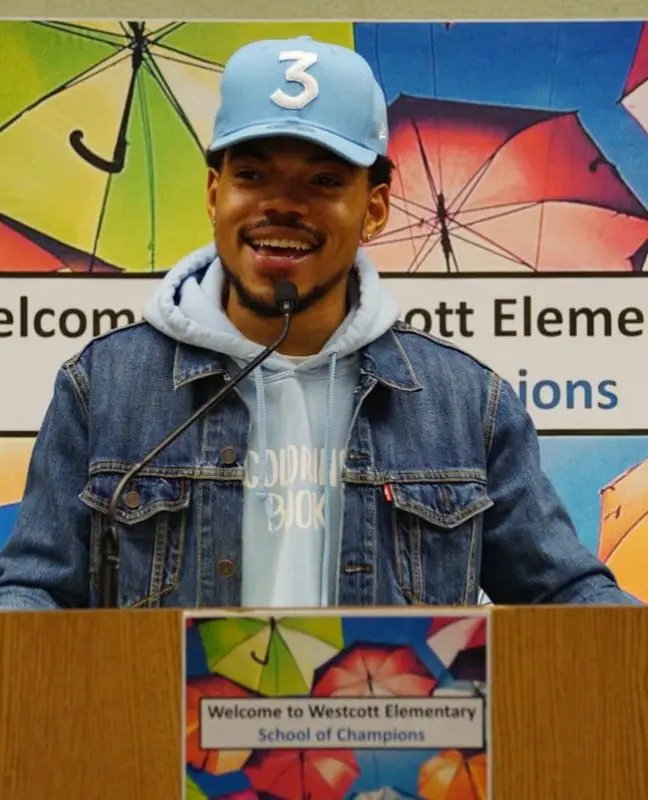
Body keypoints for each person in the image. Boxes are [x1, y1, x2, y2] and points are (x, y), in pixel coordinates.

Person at [0, 36, 638, 609]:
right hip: (160, 713)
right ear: (215, 194)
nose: (282, 205)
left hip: (383, 711)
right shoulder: (103, 388)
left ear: (375, 209)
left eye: (323, 181)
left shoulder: (468, 404)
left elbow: (566, 594)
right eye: (253, 175)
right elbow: (34, 592)